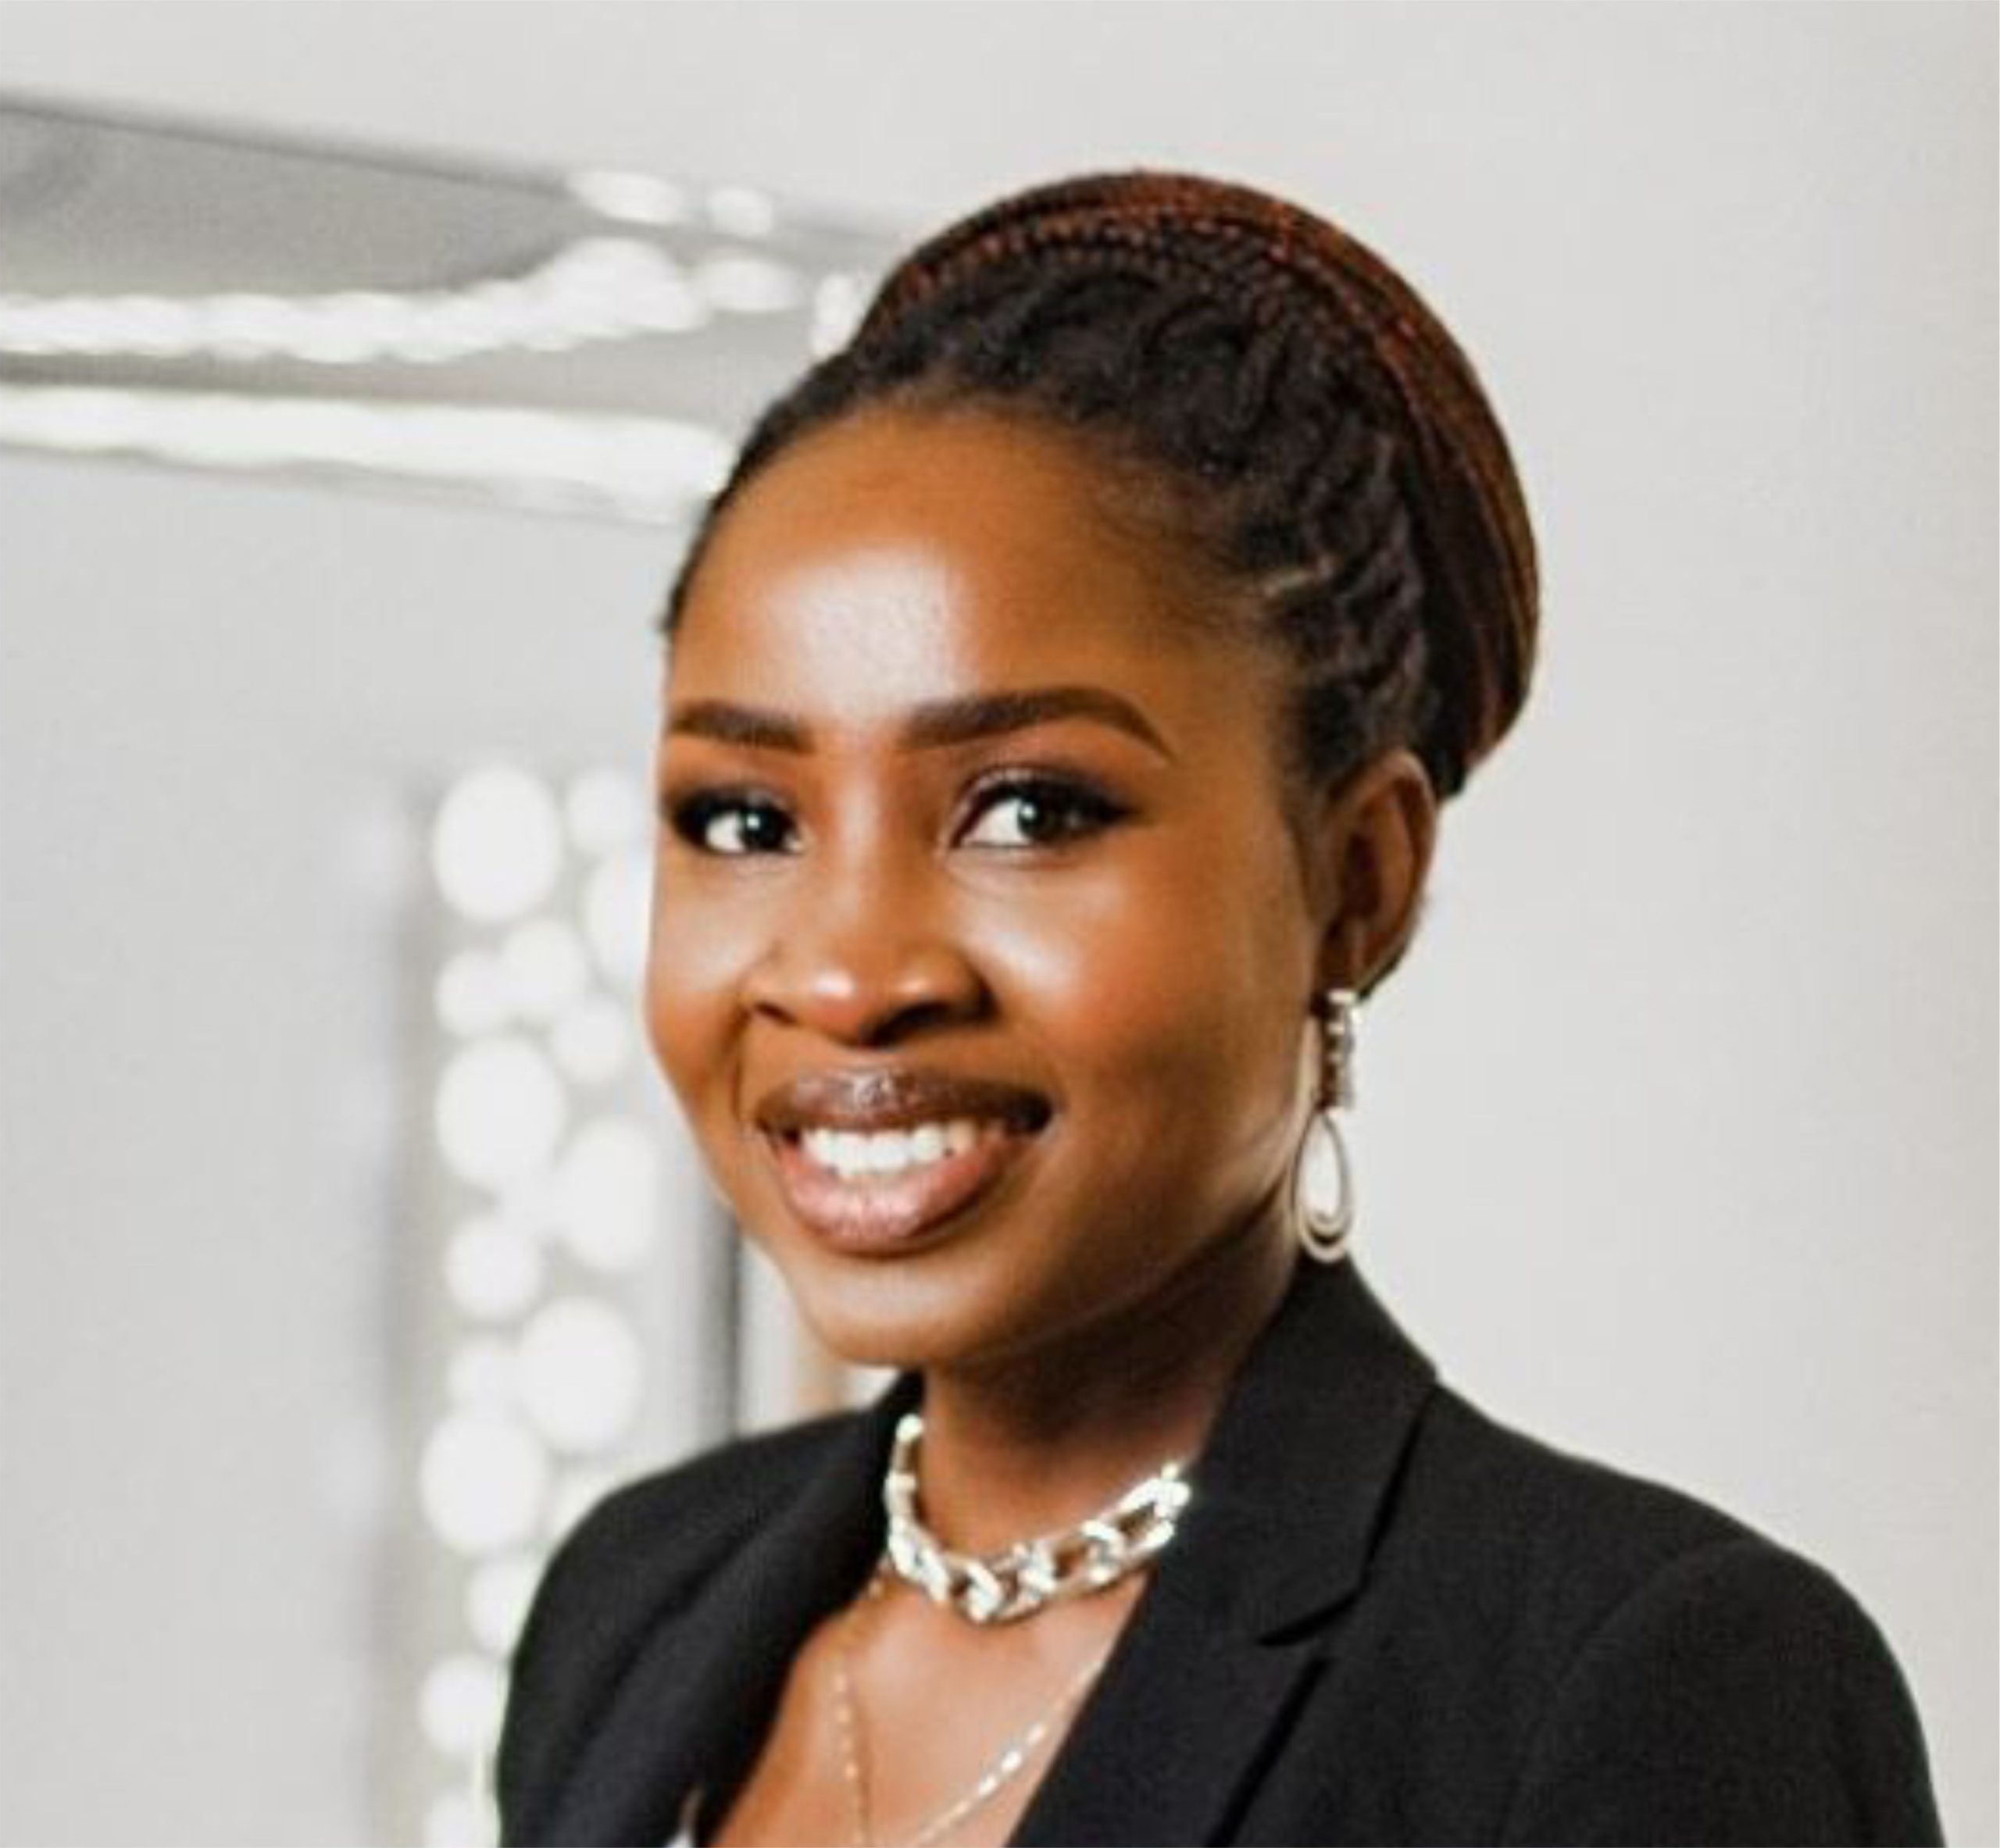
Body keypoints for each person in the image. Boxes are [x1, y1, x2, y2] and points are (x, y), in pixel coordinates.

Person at [495, 171, 1942, 1847]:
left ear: (1356, 880)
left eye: (1029, 808)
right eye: (746, 819)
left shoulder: (1640, 1682)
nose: (845, 972)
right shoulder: (635, 1600)